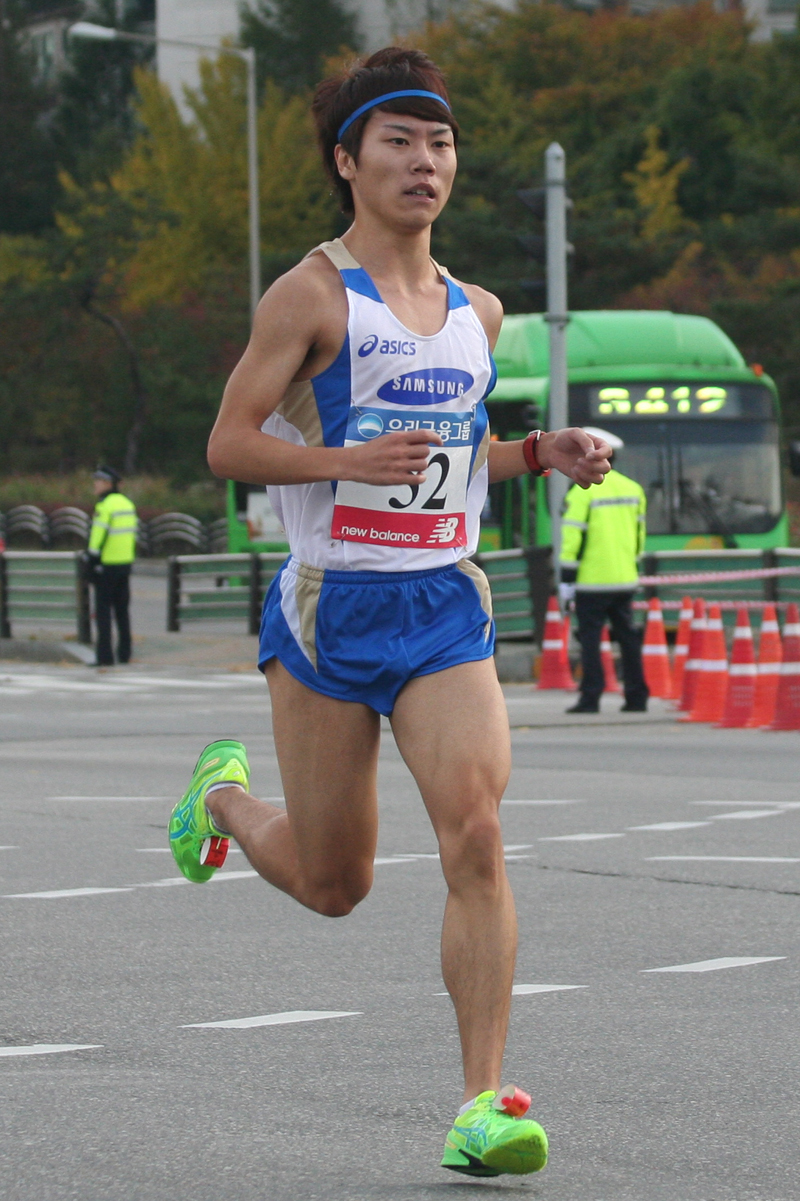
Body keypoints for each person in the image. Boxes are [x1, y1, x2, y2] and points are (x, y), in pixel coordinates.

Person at [168, 48, 611, 1178]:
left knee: (475, 830)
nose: (425, 162)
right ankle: (219, 798)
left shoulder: (478, 310)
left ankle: (481, 1104)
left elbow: (454, 463)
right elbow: (227, 443)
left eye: (441, 142)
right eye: (399, 142)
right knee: (334, 884)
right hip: (328, 607)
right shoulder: (311, 295)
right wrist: (342, 460)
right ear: (347, 161)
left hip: (443, 608)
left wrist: (534, 453)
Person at [559, 427, 649, 714]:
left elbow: (572, 539)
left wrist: (566, 578)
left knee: (590, 641)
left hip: (591, 581)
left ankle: (591, 697)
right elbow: (639, 536)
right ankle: (637, 697)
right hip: (624, 578)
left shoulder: (582, 493)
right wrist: (632, 563)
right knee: (628, 639)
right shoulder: (633, 489)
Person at [86, 466, 137, 666]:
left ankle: (104, 656)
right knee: (122, 611)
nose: (95, 485)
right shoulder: (127, 504)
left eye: (97, 482)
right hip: (125, 564)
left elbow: (97, 537)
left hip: (107, 565)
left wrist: (92, 560)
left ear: (108, 484)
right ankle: (125, 653)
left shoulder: (105, 506)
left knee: (103, 612)